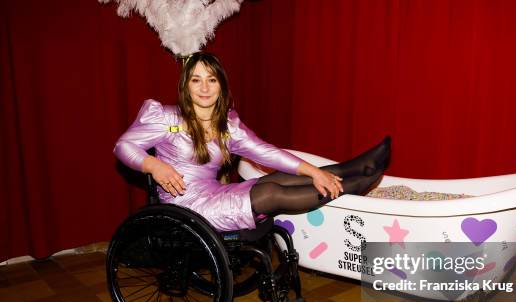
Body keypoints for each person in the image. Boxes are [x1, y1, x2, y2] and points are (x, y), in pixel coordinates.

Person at [114, 52, 390, 232]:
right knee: (270, 193)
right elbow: (123, 146)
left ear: (221, 84)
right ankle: (353, 184)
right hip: (184, 205)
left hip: (213, 192)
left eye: (211, 79)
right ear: (186, 86)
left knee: (276, 179)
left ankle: (350, 169)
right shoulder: (165, 117)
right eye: (196, 80)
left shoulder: (227, 125)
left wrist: (315, 172)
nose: (205, 88)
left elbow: (266, 152)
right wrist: (153, 165)